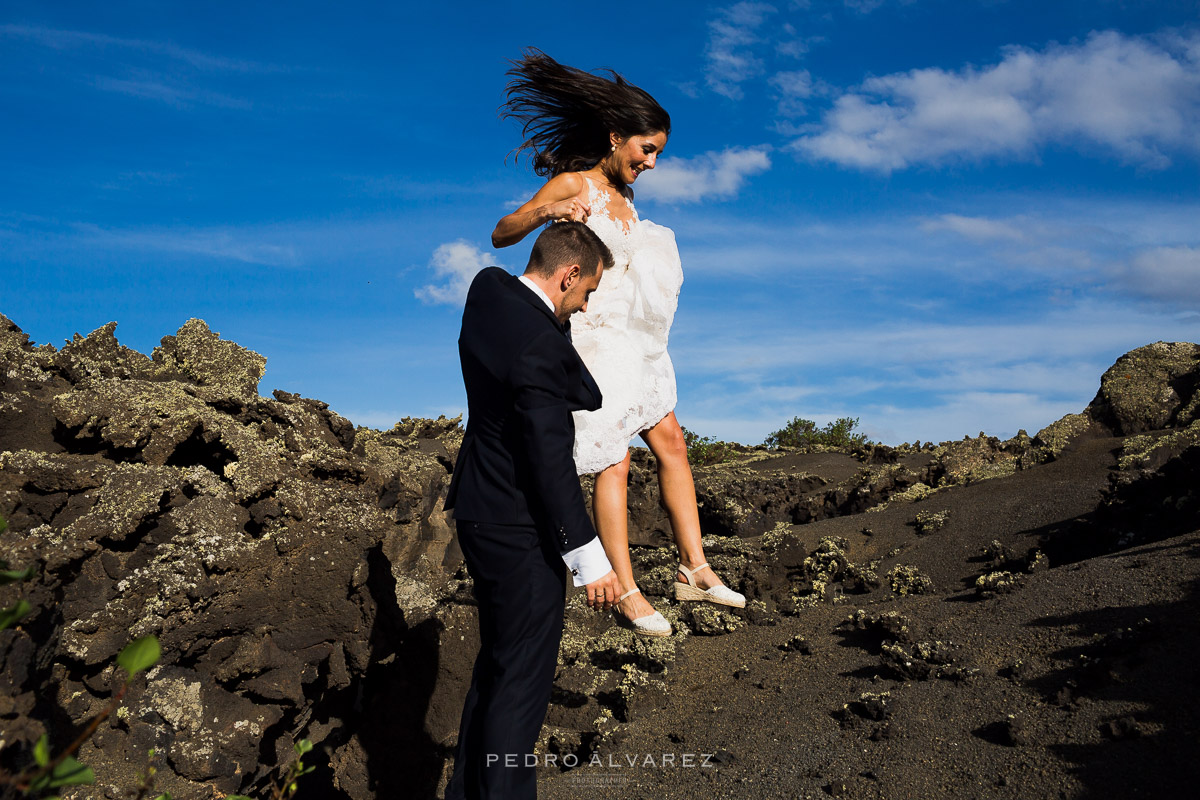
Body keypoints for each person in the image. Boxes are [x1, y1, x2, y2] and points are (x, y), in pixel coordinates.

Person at [492, 50, 745, 638]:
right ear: (615, 137)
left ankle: (695, 569)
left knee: (673, 443)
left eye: (658, 152)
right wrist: (549, 210)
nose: (652, 162)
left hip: (639, 345)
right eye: (646, 149)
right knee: (615, 458)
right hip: (593, 342)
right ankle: (626, 591)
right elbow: (502, 233)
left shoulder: (629, 202)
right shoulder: (574, 182)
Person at [443, 221, 622, 799]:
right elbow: (550, 463)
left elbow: (581, 389)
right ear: (569, 275)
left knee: (497, 667)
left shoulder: (488, 292)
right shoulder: (541, 345)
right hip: (521, 526)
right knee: (520, 688)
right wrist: (589, 558)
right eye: (587, 292)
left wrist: (556, 319)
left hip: (476, 510)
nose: (586, 306)